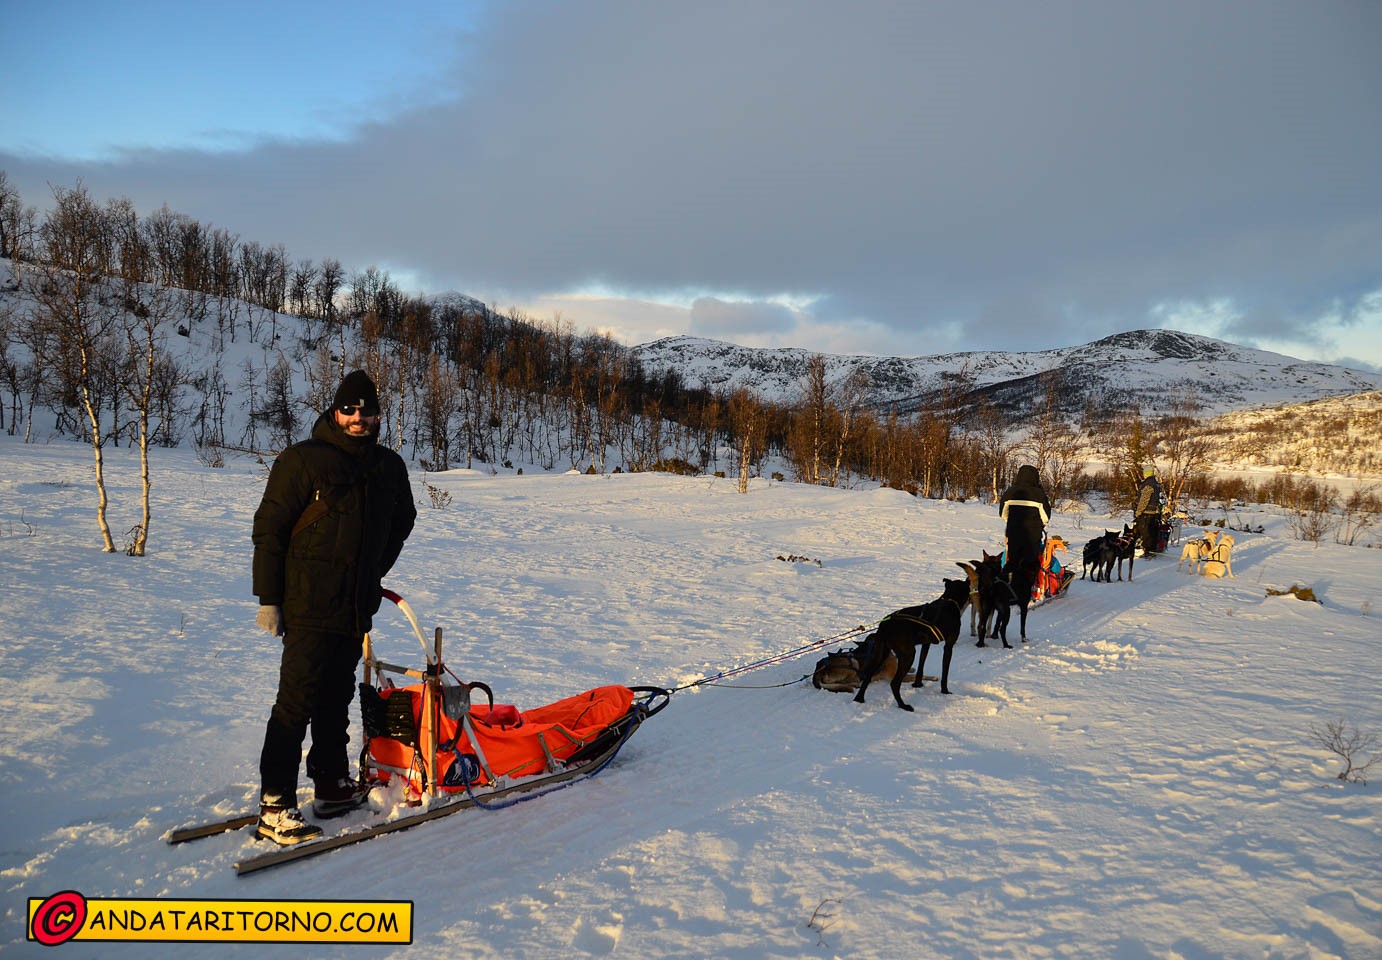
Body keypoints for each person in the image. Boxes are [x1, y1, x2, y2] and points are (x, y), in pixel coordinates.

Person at [251, 370, 417, 845]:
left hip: (353, 605)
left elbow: (402, 521)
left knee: (336, 697)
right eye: (349, 409)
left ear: (378, 416)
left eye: (367, 410)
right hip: (306, 603)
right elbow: (270, 529)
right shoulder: (302, 460)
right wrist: (269, 599)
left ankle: (331, 784)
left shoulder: (388, 467)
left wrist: (373, 571)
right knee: (295, 702)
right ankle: (275, 804)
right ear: (335, 412)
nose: (358, 417)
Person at [999, 464, 1051, 576]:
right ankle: (1027, 584)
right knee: (1029, 564)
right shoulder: (1039, 494)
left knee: (1013, 561)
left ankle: (1008, 582)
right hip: (1033, 535)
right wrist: (1038, 524)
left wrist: (1012, 521)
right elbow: (1046, 517)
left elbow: (1003, 514)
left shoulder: (1010, 492)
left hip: (1013, 532)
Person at [1134, 465, 1164, 556]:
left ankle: (1147, 551)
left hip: (1146, 513)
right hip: (1154, 513)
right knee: (1152, 531)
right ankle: (1152, 550)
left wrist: (1138, 511)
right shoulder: (1155, 484)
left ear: (1146, 474)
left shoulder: (1148, 485)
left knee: (1146, 532)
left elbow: (1144, 500)